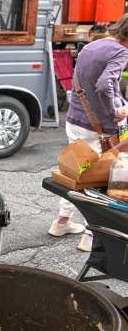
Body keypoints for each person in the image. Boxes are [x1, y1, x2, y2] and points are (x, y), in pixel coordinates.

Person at [50, 13, 128, 251]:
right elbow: (104, 84)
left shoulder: (92, 45)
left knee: (77, 175)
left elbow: (81, 82)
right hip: (97, 128)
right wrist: (115, 110)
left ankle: (61, 221)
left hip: (74, 119)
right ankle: (90, 235)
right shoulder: (121, 52)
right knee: (99, 181)